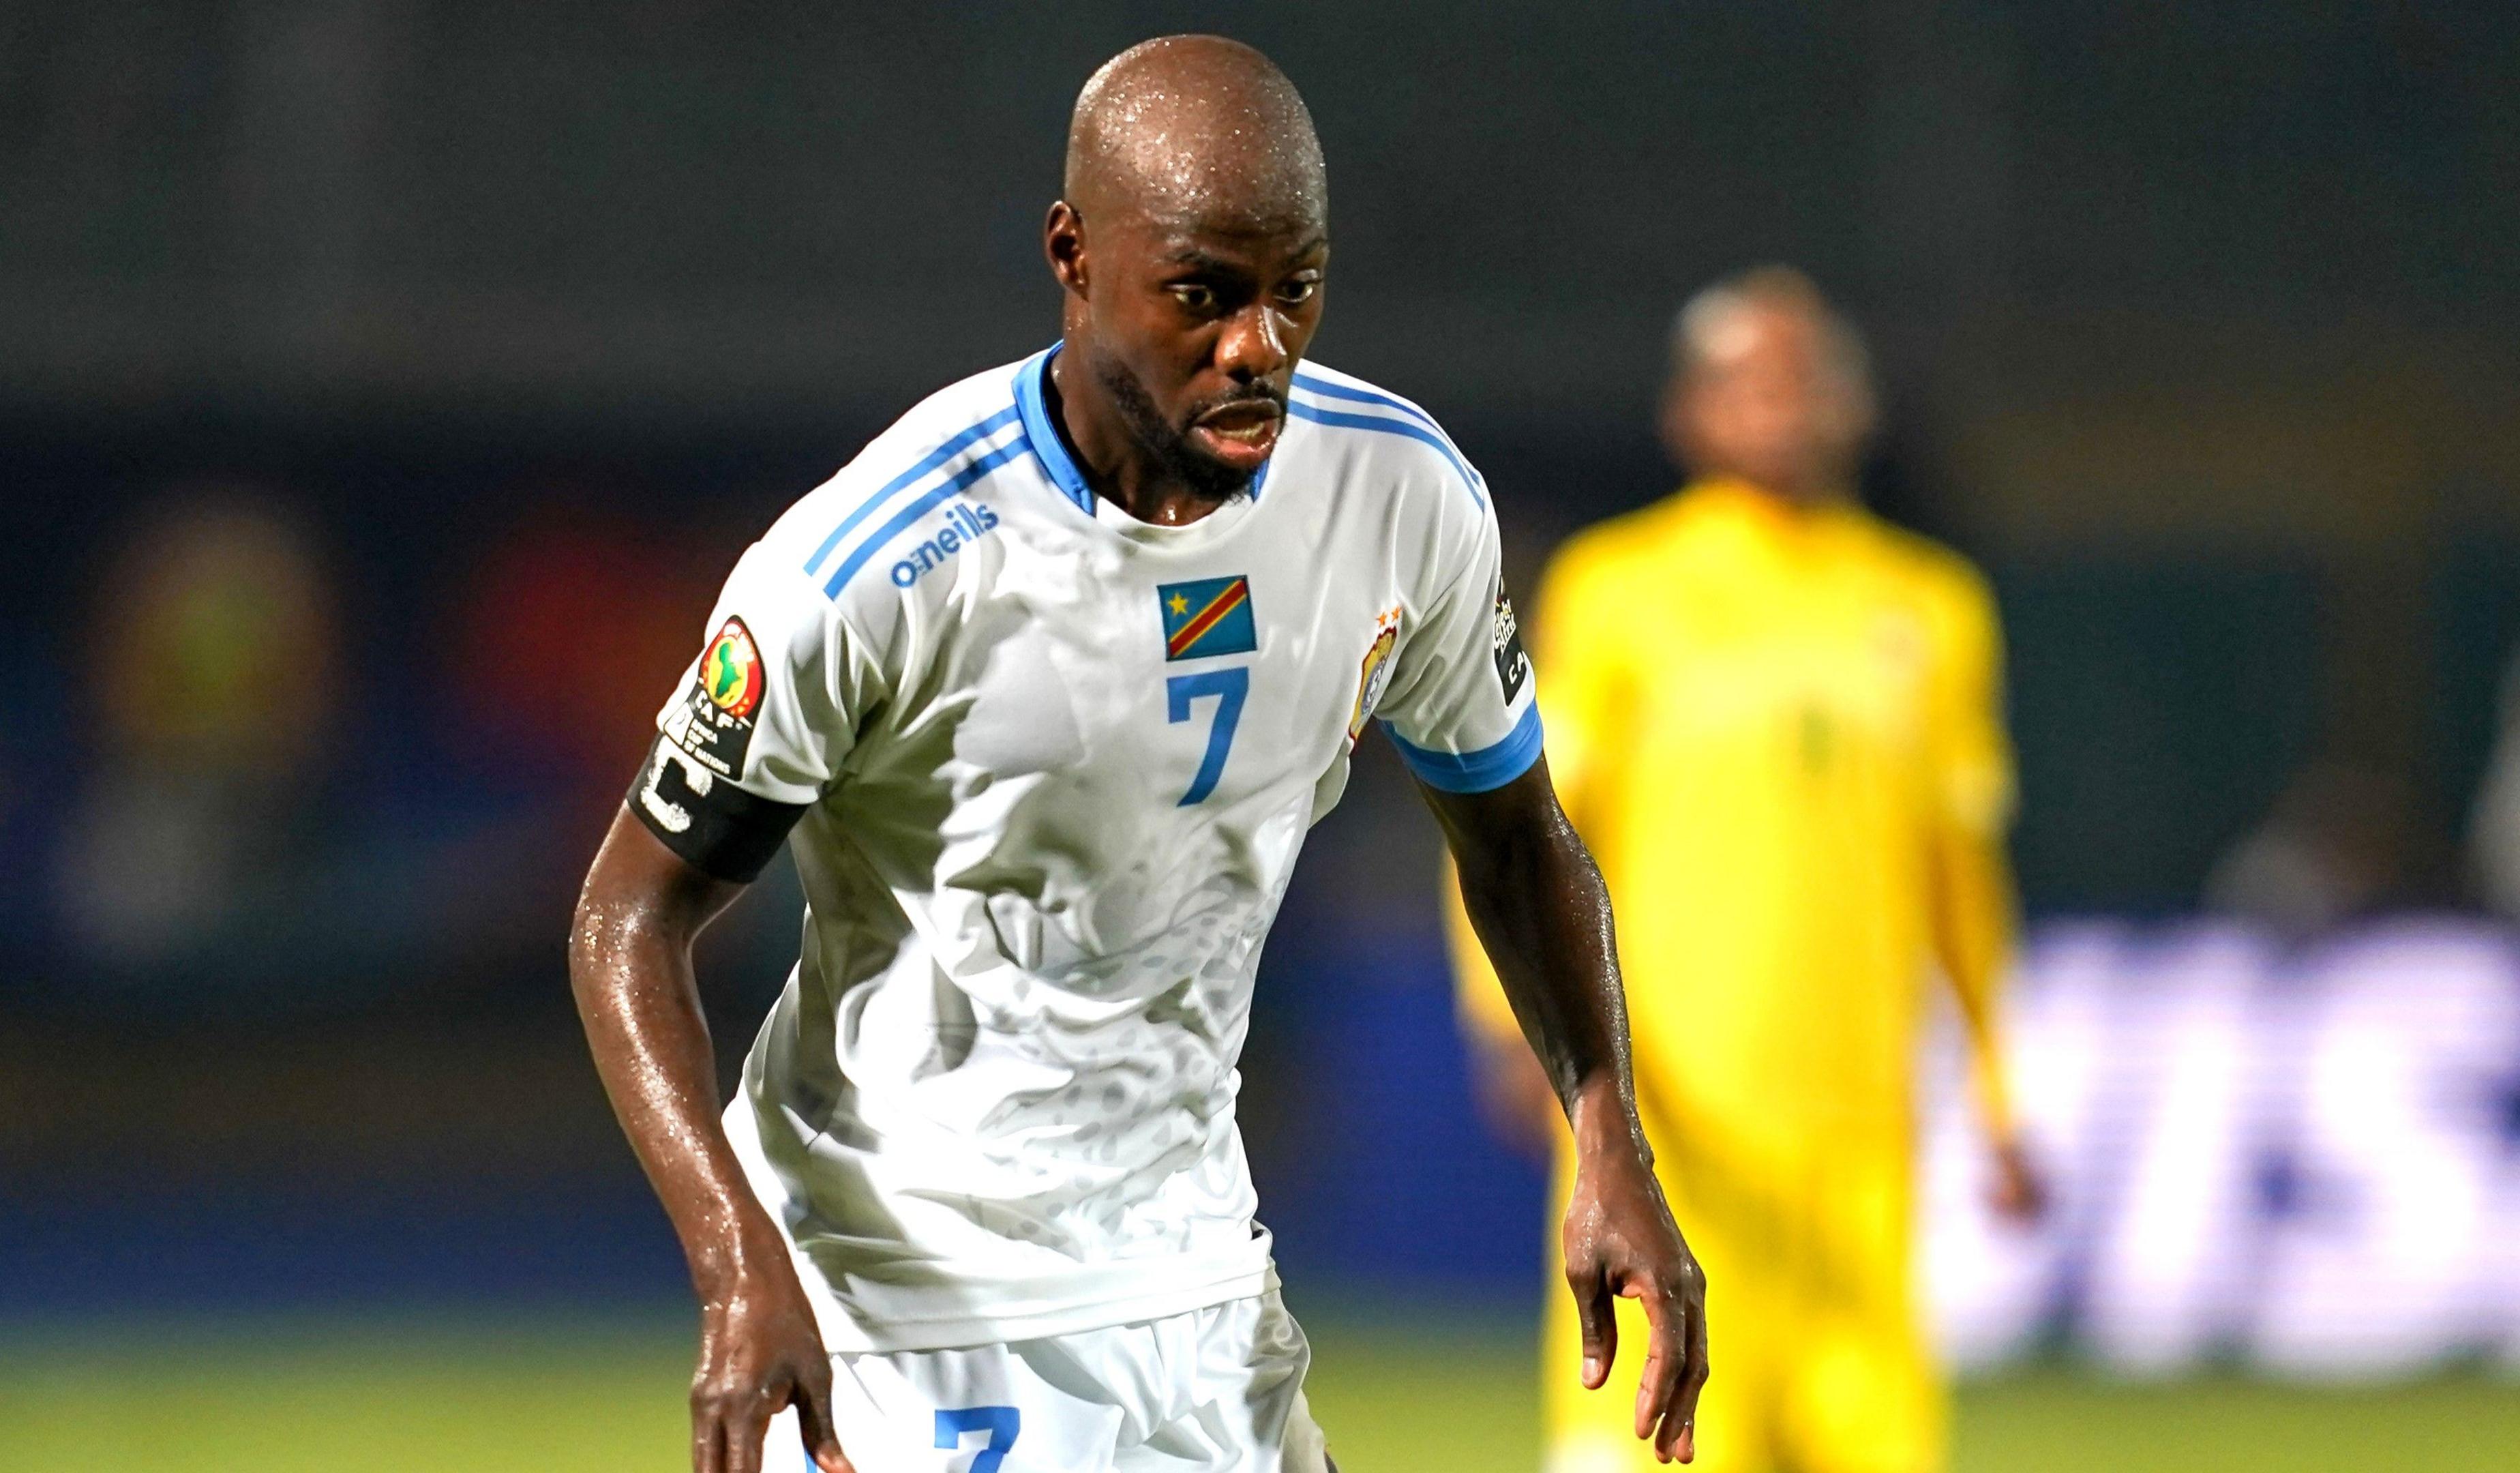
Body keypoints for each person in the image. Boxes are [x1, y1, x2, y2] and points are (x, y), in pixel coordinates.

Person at [569, 36, 1705, 1473]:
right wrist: (740, 1267)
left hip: (1191, 1273)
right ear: (1072, 254)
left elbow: (1519, 832)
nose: (1260, 346)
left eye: (1295, 288)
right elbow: (626, 917)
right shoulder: (875, 562)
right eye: (1202, 296)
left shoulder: (1399, 498)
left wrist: (1607, 1131)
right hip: (903, 1297)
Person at [1448, 267, 2038, 1473]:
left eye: (1806, 376)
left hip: (1860, 1142)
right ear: (1691, 414)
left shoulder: (1930, 610)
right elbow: (1519, 828)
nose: (1780, 403)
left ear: (1854, 408)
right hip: (1668, 1125)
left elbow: (1959, 876)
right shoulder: (1618, 594)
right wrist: (1510, 1021)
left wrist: (1998, 1087)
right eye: (1746, 379)